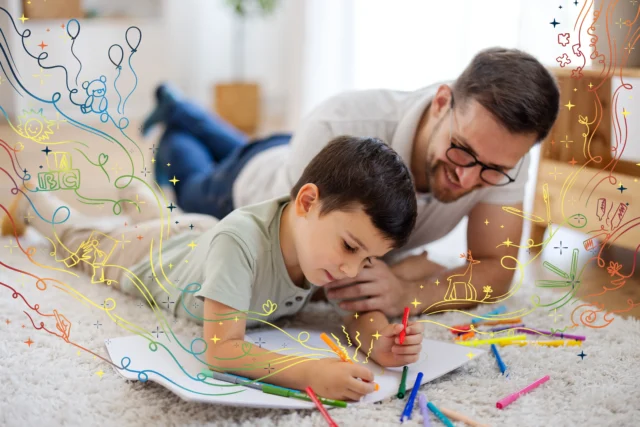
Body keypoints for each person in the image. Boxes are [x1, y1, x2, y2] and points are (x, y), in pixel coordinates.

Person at [142, 47, 560, 318]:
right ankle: (175, 127)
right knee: (191, 176)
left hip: (300, 156)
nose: (469, 178)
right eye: (460, 150)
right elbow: (313, 274)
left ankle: (181, 110)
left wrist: (409, 292)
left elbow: (497, 269)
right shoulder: (338, 122)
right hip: (246, 185)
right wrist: (407, 269)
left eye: (492, 169)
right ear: (440, 102)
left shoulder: (502, 155)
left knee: (242, 142)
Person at [2, 136, 422, 401]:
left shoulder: (323, 249)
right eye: (350, 248)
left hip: (199, 233)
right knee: (83, 239)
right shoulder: (242, 243)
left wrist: (378, 339)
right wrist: (310, 372)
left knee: (169, 216)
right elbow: (221, 350)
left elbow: (355, 308)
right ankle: (31, 197)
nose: (352, 271)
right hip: (156, 258)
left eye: (367, 260)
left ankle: (136, 190)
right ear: (308, 202)